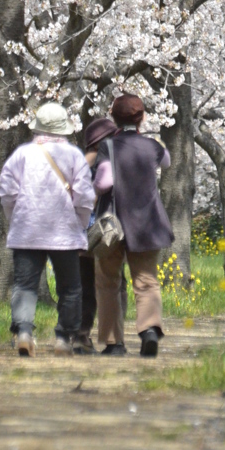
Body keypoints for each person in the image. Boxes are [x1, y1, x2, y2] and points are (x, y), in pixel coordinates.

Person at [0, 101, 95, 357]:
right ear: (64, 128)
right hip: (65, 233)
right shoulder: (74, 155)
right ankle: (64, 338)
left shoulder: (22, 154)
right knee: (70, 287)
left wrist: (15, 217)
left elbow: (7, 191)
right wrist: (81, 222)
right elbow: (85, 195)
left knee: (24, 286)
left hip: (27, 231)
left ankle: (24, 333)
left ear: (37, 128)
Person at [93, 93, 174, 358]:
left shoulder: (109, 146)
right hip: (147, 224)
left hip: (112, 225)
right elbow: (167, 162)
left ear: (113, 118)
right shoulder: (153, 146)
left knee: (108, 282)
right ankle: (150, 330)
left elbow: (104, 183)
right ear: (142, 118)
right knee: (147, 280)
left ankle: (114, 343)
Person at [72, 116, 127, 356]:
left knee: (83, 286)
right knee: (113, 283)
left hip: (77, 230)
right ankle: (115, 339)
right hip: (100, 232)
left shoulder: (79, 161)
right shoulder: (106, 160)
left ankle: (80, 336)